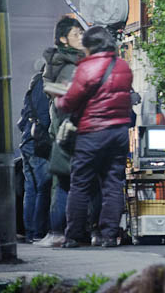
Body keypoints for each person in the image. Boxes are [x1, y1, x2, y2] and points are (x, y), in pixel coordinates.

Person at [54, 26, 133, 248]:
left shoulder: (87, 68)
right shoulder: (123, 66)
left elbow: (69, 102)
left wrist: (61, 98)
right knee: (113, 184)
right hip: (119, 132)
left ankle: (75, 236)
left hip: (92, 133)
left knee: (80, 183)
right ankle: (109, 235)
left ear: (91, 47)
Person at [34, 16, 85, 248]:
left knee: (69, 181)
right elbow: (59, 97)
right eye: (76, 34)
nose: (81, 38)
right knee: (65, 181)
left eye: (82, 34)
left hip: (69, 128)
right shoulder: (66, 65)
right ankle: (59, 231)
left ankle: (66, 231)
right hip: (68, 128)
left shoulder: (66, 62)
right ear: (63, 39)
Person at [16, 60, 52, 243]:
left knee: (30, 189)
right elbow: (47, 118)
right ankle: (39, 233)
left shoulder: (33, 84)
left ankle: (30, 232)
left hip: (26, 142)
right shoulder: (49, 87)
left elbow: (22, 120)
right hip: (40, 144)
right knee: (43, 189)